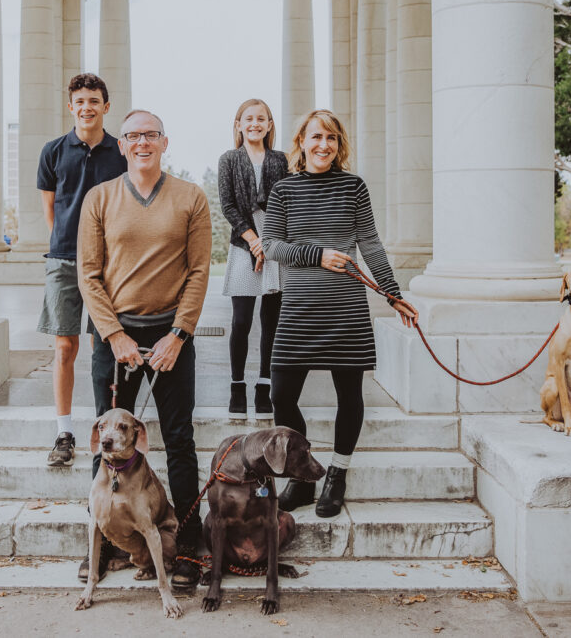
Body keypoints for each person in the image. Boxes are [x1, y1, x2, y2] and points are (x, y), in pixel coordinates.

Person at [77, 109, 212, 590]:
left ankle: (189, 543)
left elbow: (199, 271)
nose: (141, 143)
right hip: (115, 337)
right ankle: (105, 545)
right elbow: (89, 274)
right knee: (106, 440)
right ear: (123, 144)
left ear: (164, 141)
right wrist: (114, 335)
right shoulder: (100, 198)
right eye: (132, 135)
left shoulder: (191, 198)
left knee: (179, 439)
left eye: (150, 135)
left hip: (170, 336)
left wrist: (179, 335)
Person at [261, 109, 419, 518]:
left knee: (348, 396)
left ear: (339, 145)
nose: (323, 146)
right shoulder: (283, 190)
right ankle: (300, 475)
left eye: (331, 138)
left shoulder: (353, 187)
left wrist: (392, 293)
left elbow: (371, 243)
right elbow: (272, 245)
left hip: (346, 309)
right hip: (297, 310)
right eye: (316, 137)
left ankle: (337, 474)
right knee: (282, 396)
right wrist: (317, 254)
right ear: (301, 142)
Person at [36, 74, 128, 468]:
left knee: (103, 347)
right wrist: (71, 247)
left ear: (106, 106)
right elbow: (51, 210)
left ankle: (104, 428)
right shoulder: (53, 151)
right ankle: (64, 432)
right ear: (70, 106)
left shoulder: (121, 152)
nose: (87, 106)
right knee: (64, 347)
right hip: (63, 260)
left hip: (111, 265)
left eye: (94, 100)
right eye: (80, 101)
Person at [217, 99, 287, 419]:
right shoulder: (229, 159)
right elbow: (228, 205)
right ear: (239, 124)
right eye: (249, 118)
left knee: (271, 323)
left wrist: (268, 244)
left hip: (275, 245)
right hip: (244, 241)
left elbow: (286, 204)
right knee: (242, 321)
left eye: (262, 118)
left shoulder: (281, 160)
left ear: (270, 125)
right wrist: (253, 242)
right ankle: (236, 387)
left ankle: (263, 387)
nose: (255, 123)